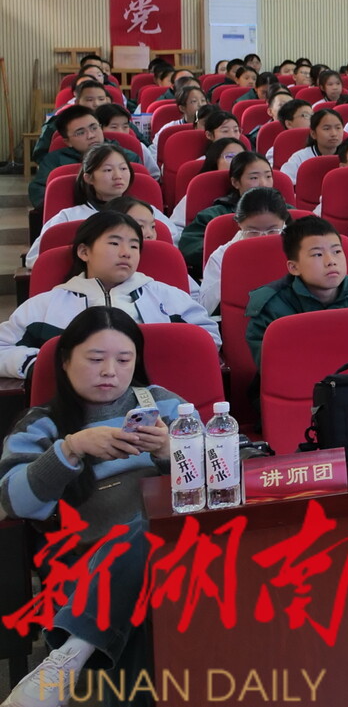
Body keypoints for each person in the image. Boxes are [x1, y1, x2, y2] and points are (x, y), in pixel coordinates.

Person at [0, 309, 185, 703]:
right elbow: (14, 501)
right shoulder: (41, 424)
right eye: (95, 358)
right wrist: (71, 449)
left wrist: (170, 451)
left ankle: (71, 653)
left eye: (124, 360)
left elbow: (219, 477)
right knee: (144, 589)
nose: (110, 372)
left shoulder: (165, 407)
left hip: (178, 550)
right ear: (66, 360)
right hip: (86, 562)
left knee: (149, 533)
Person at [0, 212, 220, 377]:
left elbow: (208, 339)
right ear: (84, 252)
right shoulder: (46, 305)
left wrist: (159, 362)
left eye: (134, 246)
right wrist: (40, 365)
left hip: (156, 400)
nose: (126, 253)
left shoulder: (167, 297)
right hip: (73, 409)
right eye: (114, 243)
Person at [244, 217, 348, 367]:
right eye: (318, 254)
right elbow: (274, 370)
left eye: (337, 251)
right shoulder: (271, 310)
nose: (331, 261)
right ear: (294, 267)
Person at [26, 144, 138, 269]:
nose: (118, 175)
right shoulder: (67, 217)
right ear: (89, 178)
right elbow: (34, 258)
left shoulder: (145, 213)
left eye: (123, 168)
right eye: (108, 170)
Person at [179, 151, 275, 277]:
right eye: (254, 178)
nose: (263, 184)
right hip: (228, 274)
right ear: (235, 182)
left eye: (268, 176)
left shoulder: (287, 213)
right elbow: (189, 248)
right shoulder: (212, 216)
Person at [29, 106, 106, 211]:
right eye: (80, 132)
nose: (91, 135)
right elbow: (38, 190)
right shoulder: (54, 160)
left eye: (94, 128)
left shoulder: (124, 155)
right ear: (67, 142)